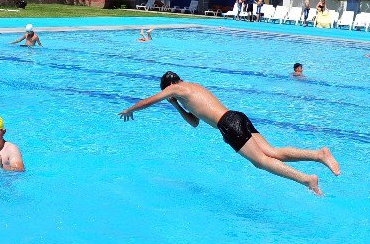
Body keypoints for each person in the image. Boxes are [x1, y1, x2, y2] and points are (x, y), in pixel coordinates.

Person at [118, 72, 340, 195]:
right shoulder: (191, 88)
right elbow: (194, 122)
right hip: (235, 116)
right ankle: (319, 155)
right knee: (272, 152)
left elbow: (149, 101)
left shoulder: (175, 89)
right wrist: (176, 105)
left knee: (261, 161)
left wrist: (130, 109)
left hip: (228, 124)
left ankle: (306, 179)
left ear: (169, 85)